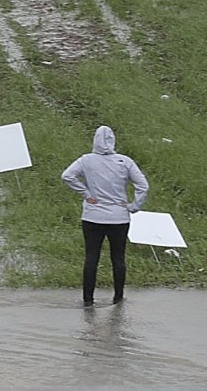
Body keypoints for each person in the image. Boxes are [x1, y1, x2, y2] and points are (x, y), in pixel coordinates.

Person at [62, 124, 150, 305]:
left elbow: (67, 176)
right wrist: (134, 206)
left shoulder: (86, 160)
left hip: (93, 216)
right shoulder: (125, 161)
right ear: (113, 141)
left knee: (91, 257)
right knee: (118, 257)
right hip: (119, 217)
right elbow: (143, 185)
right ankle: (118, 297)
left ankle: (88, 300)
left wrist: (86, 194)